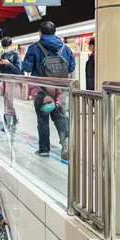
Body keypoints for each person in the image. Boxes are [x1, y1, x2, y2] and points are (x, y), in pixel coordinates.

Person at [22, 21, 75, 160]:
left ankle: (44, 149)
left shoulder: (34, 47)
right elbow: (71, 67)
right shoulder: (65, 48)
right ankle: (66, 142)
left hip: (41, 89)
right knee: (60, 117)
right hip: (58, 88)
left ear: (40, 33)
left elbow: (26, 68)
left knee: (42, 120)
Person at [0, 37, 23, 130]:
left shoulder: (17, 56)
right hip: (5, 82)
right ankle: (13, 120)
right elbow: (0, 70)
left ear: (11, 45)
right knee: (7, 102)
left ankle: (7, 124)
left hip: (13, 83)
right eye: (4, 47)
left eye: (7, 46)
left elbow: (18, 70)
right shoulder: (3, 55)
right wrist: (1, 64)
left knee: (8, 102)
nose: (5, 49)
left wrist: (8, 64)